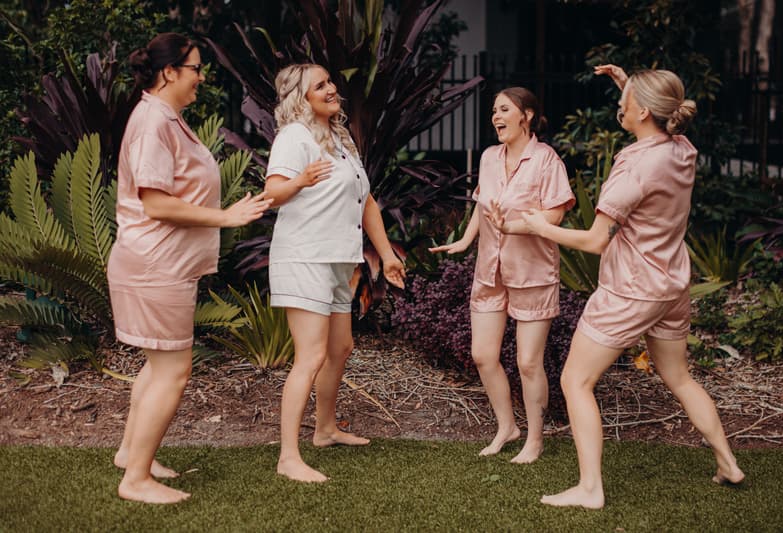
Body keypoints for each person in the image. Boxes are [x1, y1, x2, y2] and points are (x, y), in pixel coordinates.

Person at [488, 65, 745, 509]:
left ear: (644, 111)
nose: (618, 106)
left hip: (630, 290)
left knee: (575, 380)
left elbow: (592, 241)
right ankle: (727, 462)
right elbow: (656, 119)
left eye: (626, 101)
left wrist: (536, 226)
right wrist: (628, 84)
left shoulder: (632, 167)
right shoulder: (682, 148)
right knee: (679, 376)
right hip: (671, 285)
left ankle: (590, 489)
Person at [108, 33, 272, 504]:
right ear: (169, 72)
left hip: (163, 264)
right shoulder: (152, 122)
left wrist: (235, 207)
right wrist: (225, 217)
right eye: (196, 67)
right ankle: (136, 480)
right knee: (173, 370)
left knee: (158, 363)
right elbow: (157, 202)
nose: (202, 76)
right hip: (155, 264)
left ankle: (129, 454)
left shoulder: (166, 118)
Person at [264, 63, 406, 482]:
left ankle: (325, 430)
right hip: (304, 257)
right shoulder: (294, 138)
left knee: (340, 348)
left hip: (338, 260)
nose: (331, 88)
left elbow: (367, 202)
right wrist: (301, 181)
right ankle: (288, 456)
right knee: (310, 355)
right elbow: (272, 193)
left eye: (330, 82)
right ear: (301, 98)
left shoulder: (341, 141)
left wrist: (387, 254)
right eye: (320, 85)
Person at [430, 87, 574, 462]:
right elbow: (483, 205)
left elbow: (554, 217)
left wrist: (512, 227)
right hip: (489, 268)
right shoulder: (490, 157)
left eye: (504, 109)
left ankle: (535, 439)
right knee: (483, 354)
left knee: (528, 361)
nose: (496, 116)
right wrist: (464, 240)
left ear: (526, 115)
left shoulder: (546, 160)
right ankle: (507, 426)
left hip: (533, 272)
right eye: (494, 110)